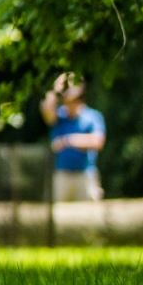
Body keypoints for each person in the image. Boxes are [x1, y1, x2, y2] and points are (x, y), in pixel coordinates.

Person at [39, 72, 106, 202]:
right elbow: (46, 110)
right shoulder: (59, 117)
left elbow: (98, 141)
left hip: (86, 175)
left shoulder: (92, 116)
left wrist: (68, 141)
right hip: (62, 176)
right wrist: (55, 89)